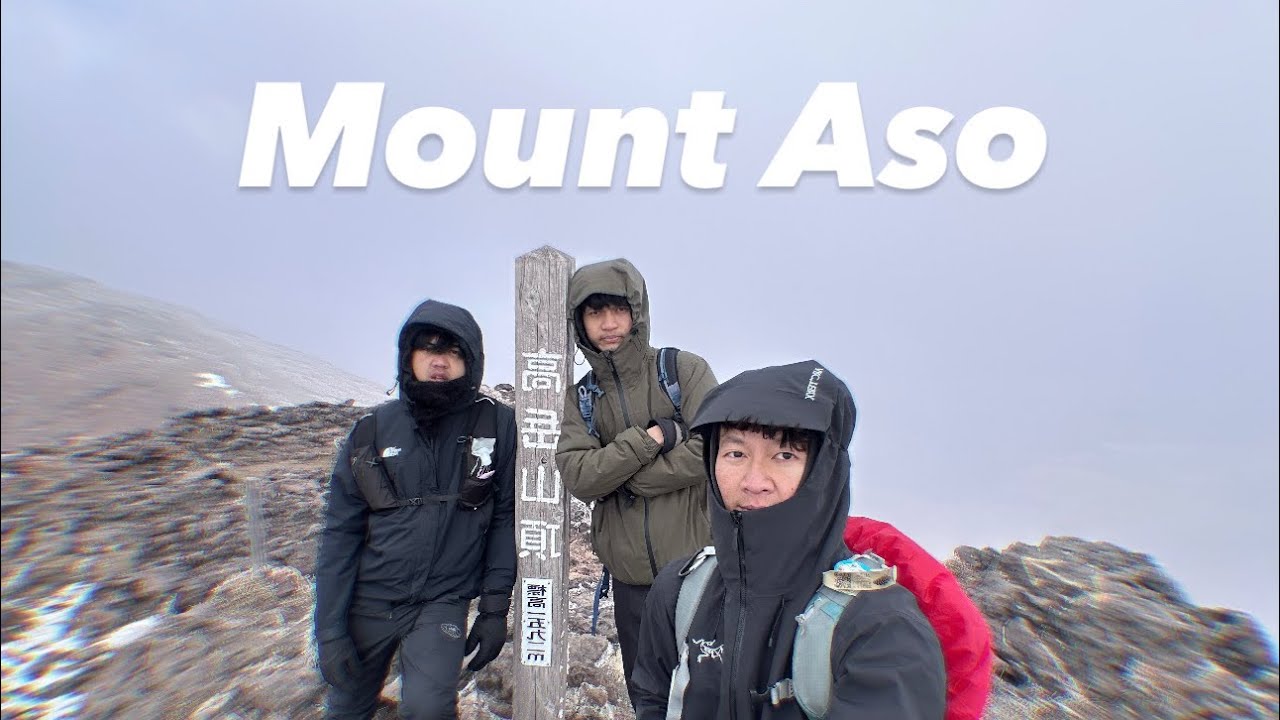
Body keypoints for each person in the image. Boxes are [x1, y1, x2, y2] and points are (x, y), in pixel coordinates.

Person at [631, 360, 947, 719]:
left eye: (784, 455)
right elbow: (653, 703)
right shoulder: (680, 592)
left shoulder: (881, 629)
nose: (754, 480)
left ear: (823, 471)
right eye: (736, 453)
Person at [314, 299, 516, 720]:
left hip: (442, 601)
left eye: (453, 352)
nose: (439, 362)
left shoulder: (496, 427)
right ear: (409, 356)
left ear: (471, 361)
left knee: (429, 709)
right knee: (346, 708)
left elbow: (504, 519)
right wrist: (329, 631)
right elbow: (340, 534)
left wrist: (495, 610)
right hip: (368, 600)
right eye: (427, 349)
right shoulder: (370, 431)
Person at [555, 258, 718, 709]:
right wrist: (652, 438)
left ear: (637, 314)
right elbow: (580, 475)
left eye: (618, 310)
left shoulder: (683, 371)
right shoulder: (581, 398)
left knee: (708, 695)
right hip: (631, 586)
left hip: (701, 573)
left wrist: (634, 481)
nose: (608, 324)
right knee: (648, 697)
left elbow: (717, 449)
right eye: (594, 312)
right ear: (579, 322)